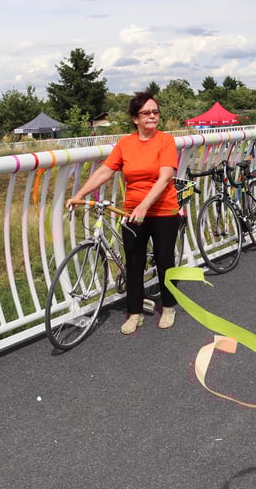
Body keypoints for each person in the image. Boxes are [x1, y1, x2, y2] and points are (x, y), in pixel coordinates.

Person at [66, 91, 180, 334]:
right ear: (135, 119)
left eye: (155, 112)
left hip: (162, 210)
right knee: (134, 262)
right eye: (146, 113)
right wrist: (80, 195)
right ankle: (134, 313)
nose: (152, 116)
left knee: (164, 260)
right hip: (132, 211)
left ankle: (169, 307)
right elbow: (104, 172)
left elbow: (165, 177)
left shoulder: (165, 141)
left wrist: (145, 205)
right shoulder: (125, 144)